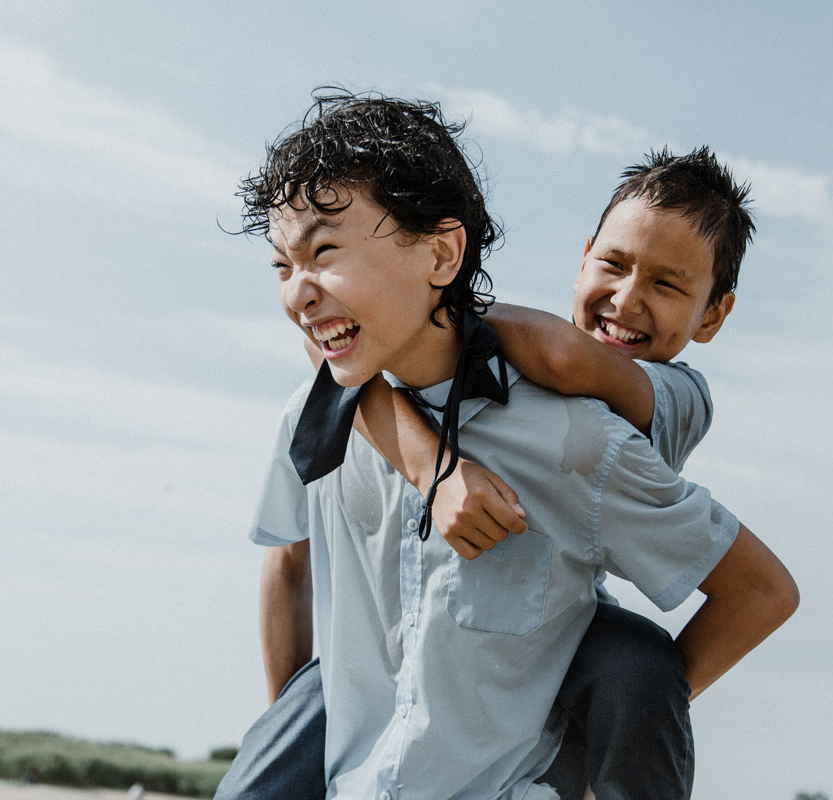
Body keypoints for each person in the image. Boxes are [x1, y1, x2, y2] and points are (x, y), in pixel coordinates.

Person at [217, 90, 797, 800]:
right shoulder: (343, 386)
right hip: (384, 704)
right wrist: (435, 460)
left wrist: (592, 725)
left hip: (558, 636)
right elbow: (292, 550)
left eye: (668, 284)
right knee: (284, 741)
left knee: (637, 667)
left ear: (714, 315)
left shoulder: (653, 404)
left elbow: (560, 356)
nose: (626, 301)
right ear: (584, 259)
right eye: (612, 266)